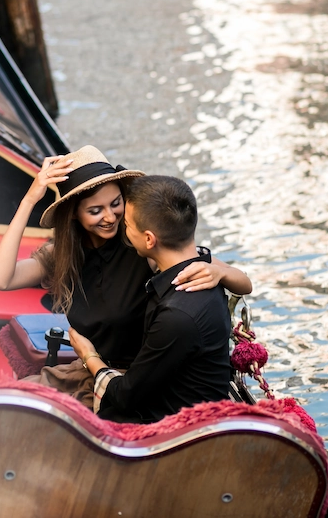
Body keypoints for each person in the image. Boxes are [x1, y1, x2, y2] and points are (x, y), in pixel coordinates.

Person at [0, 146, 250, 407]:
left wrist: (219, 271)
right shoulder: (62, 255)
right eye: (95, 211)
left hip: (138, 382)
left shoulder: (141, 245)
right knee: (7, 405)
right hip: (90, 371)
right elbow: (1, 279)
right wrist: (29, 200)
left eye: (116, 204)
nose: (110, 217)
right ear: (75, 215)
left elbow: (244, 283)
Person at [69, 175, 232, 423]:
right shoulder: (200, 273)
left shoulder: (176, 316)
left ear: (148, 239)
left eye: (128, 225)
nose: (120, 226)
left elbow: (125, 396)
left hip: (172, 428)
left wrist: (89, 356)